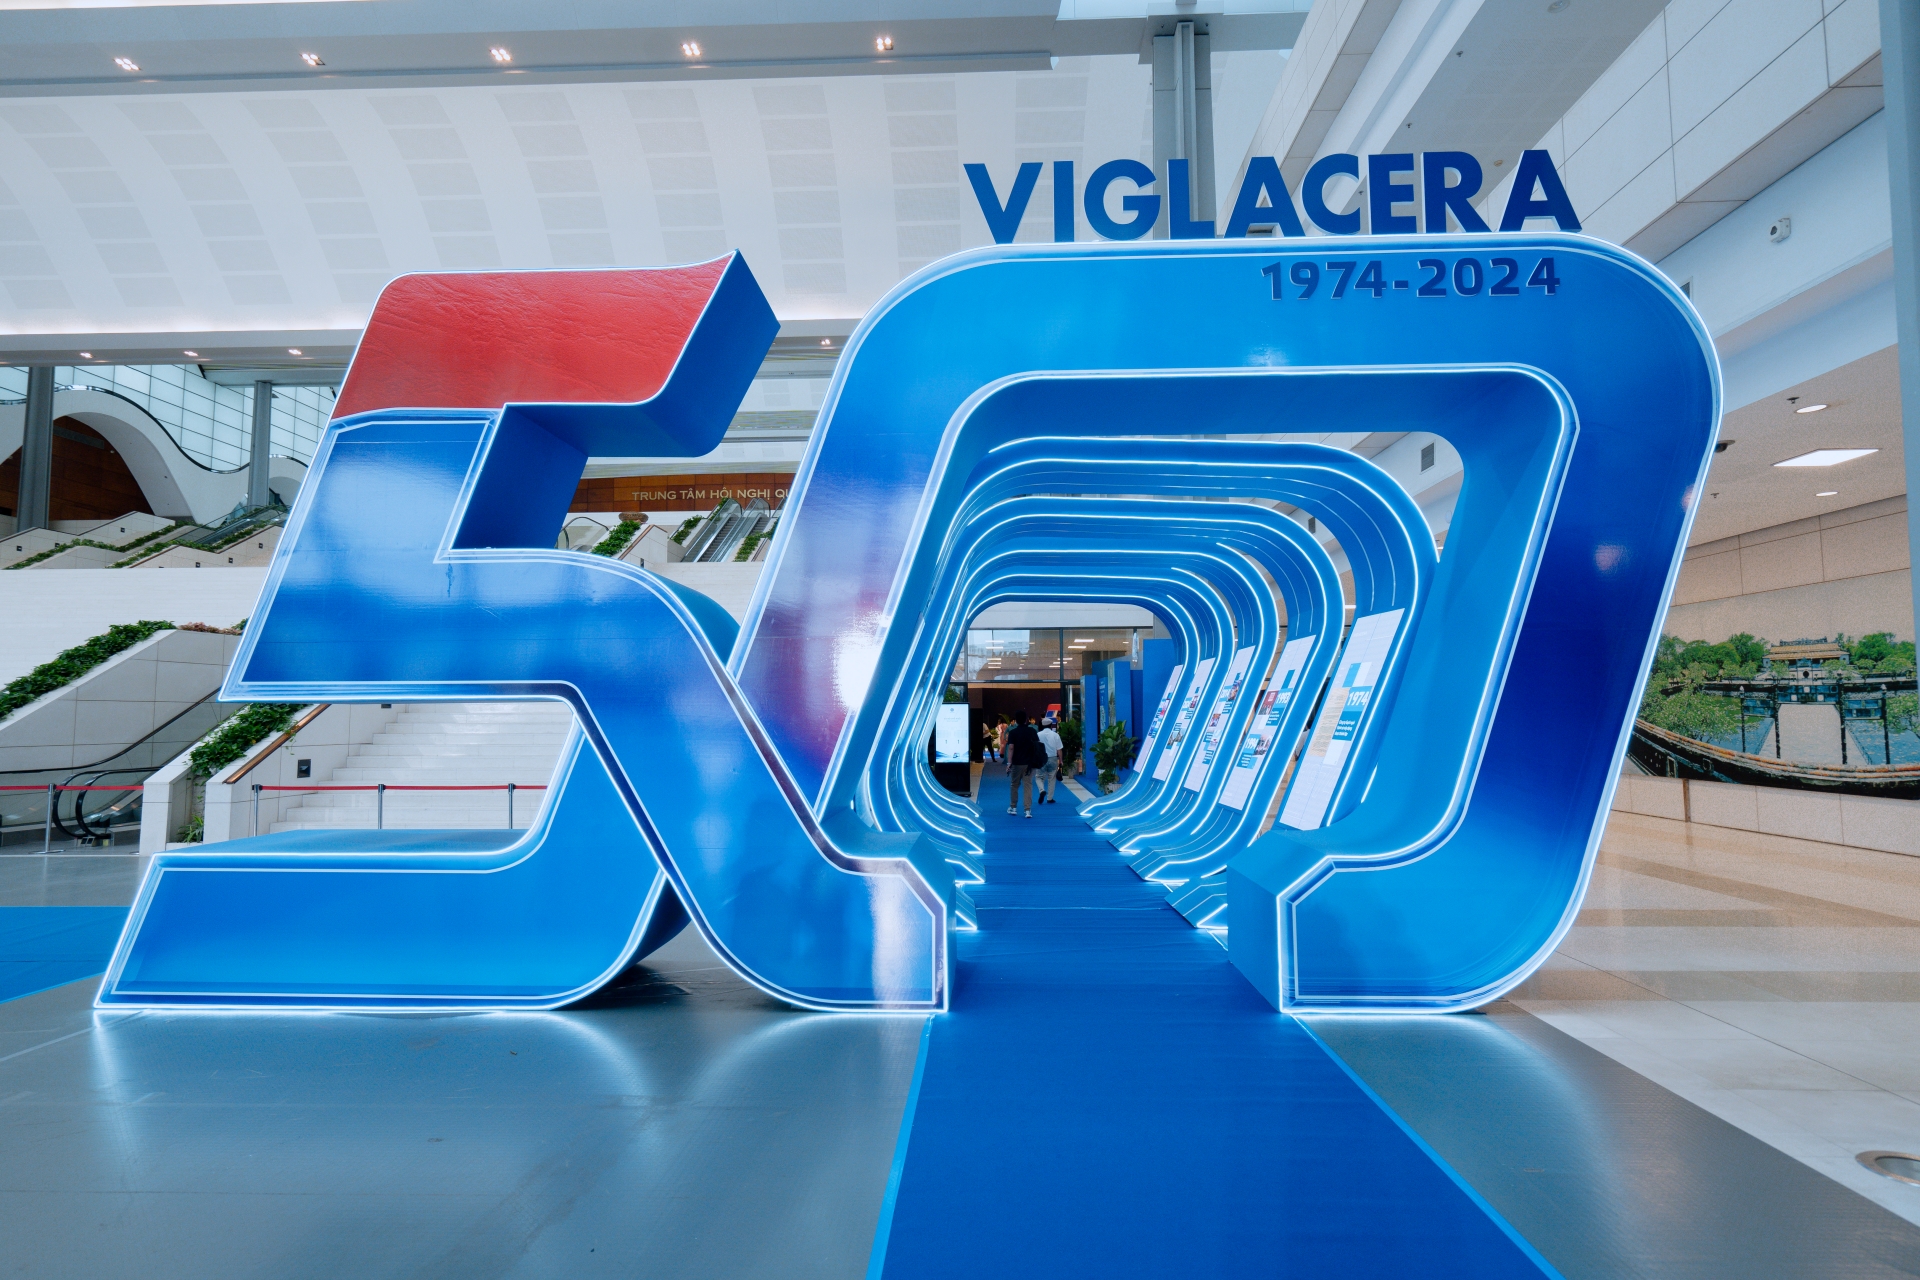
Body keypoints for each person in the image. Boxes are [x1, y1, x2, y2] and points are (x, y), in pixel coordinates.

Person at [1005, 710, 1045, 818]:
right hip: (1029, 763)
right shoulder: (1032, 731)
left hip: (1016, 763)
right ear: (1026, 720)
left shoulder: (1013, 732)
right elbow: (1037, 745)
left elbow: (1011, 748)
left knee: (1014, 784)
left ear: (1016, 721)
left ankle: (1013, 807)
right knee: (1028, 785)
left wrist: (1009, 763)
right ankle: (1027, 810)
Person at [1037, 715, 1063, 804]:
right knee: (1052, 778)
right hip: (1053, 758)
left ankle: (1041, 790)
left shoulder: (1038, 735)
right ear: (1051, 725)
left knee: (1039, 776)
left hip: (1041, 759)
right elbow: (1059, 749)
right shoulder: (1055, 735)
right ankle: (1050, 798)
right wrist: (1061, 760)